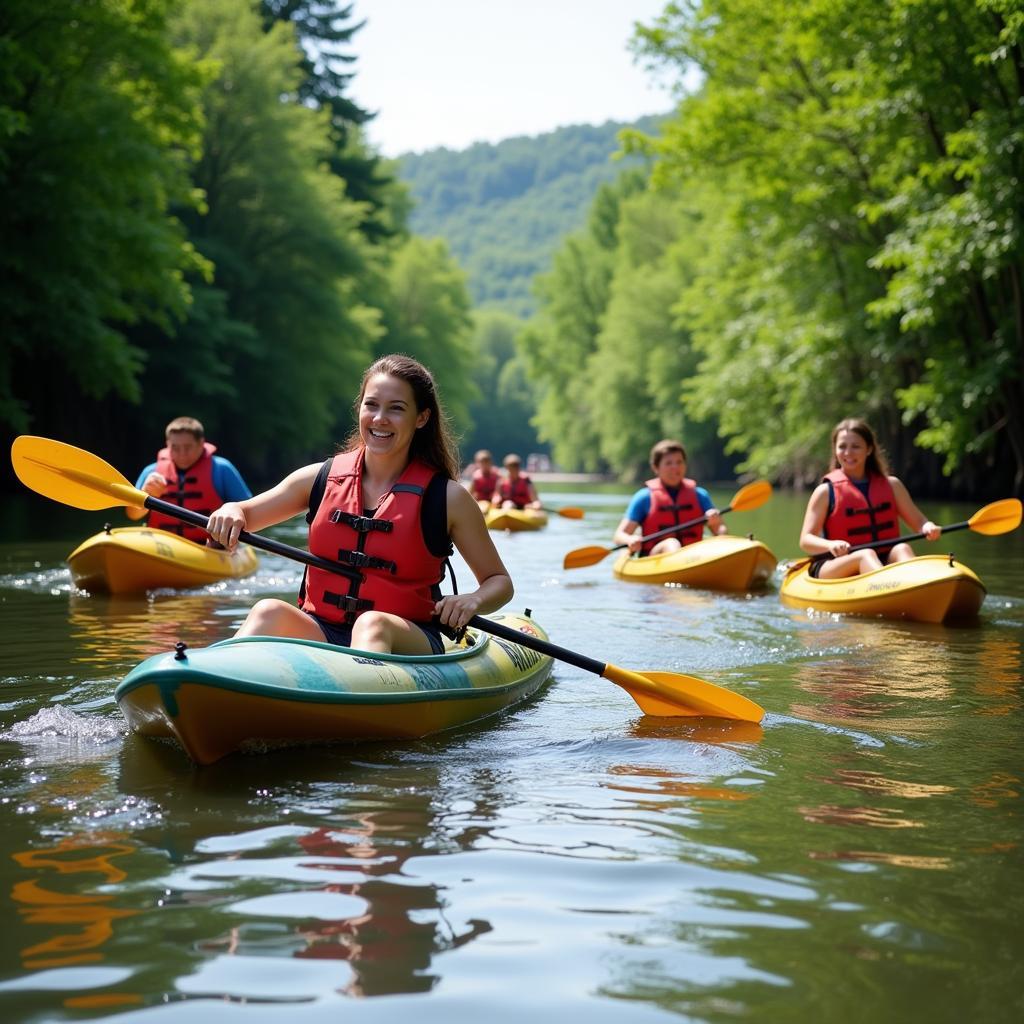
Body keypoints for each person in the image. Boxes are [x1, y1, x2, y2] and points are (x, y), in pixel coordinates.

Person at [205, 354, 514, 655]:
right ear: (360, 409)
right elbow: (246, 513)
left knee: (372, 623)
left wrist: (472, 600)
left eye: (396, 408)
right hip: (322, 628)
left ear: (421, 418)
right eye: (371, 405)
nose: (380, 419)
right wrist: (231, 510)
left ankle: (352, 697)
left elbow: (498, 582)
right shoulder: (320, 479)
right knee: (268, 609)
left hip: (406, 636)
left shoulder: (448, 498)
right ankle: (210, 680)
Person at [798, 417, 940, 579]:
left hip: (883, 558)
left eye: (856, 446)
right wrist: (830, 545)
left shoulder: (892, 485)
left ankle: (914, 587)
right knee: (865, 554)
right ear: (835, 450)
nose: (848, 453)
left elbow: (919, 523)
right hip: (837, 563)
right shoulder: (825, 492)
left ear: (869, 449)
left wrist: (928, 527)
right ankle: (891, 589)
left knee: (902, 548)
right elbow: (806, 540)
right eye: (842, 447)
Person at [127, 416, 251, 543]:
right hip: (160, 545)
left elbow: (248, 513)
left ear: (201, 443)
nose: (182, 453)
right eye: (175, 447)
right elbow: (132, 515)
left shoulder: (221, 469)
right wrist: (145, 494)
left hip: (211, 548)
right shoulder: (150, 472)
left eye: (188, 447)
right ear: (167, 445)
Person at [613, 439, 724, 557]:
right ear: (656, 468)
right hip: (655, 557)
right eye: (668, 463)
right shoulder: (644, 497)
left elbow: (721, 531)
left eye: (679, 462)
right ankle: (678, 565)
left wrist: (716, 521)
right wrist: (630, 540)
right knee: (671, 543)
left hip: (694, 557)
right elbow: (619, 535)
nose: (675, 467)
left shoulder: (700, 495)